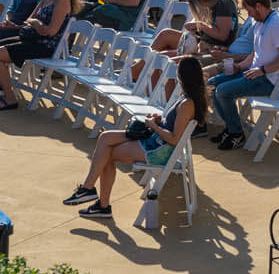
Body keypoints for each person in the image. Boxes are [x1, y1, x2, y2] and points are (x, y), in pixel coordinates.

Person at [64, 57, 207, 219]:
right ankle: (90, 191)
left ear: (183, 75)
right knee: (105, 138)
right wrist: (160, 120)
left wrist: (154, 126)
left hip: (159, 149)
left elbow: (174, 139)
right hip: (155, 141)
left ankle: (98, 200)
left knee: (106, 155)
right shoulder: (186, 97)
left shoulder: (187, 104)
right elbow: (174, 127)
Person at [208, 0, 279, 151]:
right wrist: (238, 67)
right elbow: (256, 52)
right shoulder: (260, 22)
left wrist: (262, 70)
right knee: (212, 85)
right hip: (254, 73)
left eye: (250, 10)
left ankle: (236, 134)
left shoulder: (276, 25)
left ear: (259, 6)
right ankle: (230, 128)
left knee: (223, 91)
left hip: (268, 80)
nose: (249, 15)